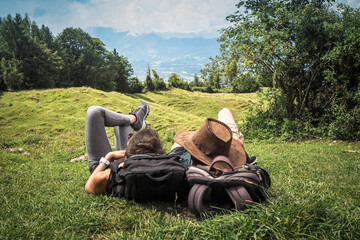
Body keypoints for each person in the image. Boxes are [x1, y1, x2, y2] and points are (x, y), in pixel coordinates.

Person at [84, 102, 255, 195]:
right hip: (133, 159)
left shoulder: (112, 176)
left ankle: (133, 119)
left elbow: (91, 185)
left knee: (97, 114)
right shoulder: (189, 168)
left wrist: (108, 157)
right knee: (224, 111)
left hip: (114, 163)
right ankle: (134, 120)